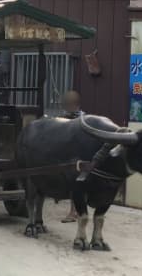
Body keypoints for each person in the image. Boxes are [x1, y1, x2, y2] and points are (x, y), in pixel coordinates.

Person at [60, 90, 83, 223]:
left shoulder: (82, 119)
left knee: (76, 186)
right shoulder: (64, 117)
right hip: (68, 155)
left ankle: (74, 212)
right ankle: (74, 211)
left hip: (77, 158)